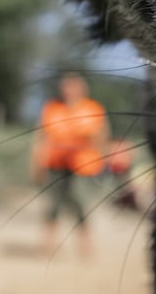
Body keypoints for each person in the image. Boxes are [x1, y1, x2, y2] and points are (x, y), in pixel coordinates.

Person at [31, 74, 109, 258]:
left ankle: (85, 246)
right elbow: (41, 138)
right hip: (55, 163)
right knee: (52, 204)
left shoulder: (92, 109)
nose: (69, 91)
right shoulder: (52, 108)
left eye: (73, 87)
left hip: (83, 166)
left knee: (80, 203)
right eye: (66, 87)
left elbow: (102, 138)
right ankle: (48, 244)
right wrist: (36, 163)